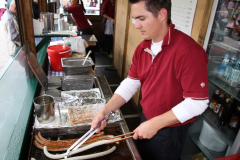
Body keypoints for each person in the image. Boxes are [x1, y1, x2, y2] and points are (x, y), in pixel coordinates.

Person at [91, 0, 209, 159]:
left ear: (162, 14)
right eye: (135, 19)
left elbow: (198, 102)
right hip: (147, 119)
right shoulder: (143, 47)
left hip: (170, 129)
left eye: (141, 18)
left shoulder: (188, 51)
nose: (136, 25)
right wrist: (104, 112)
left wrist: (156, 124)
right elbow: (131, 83)